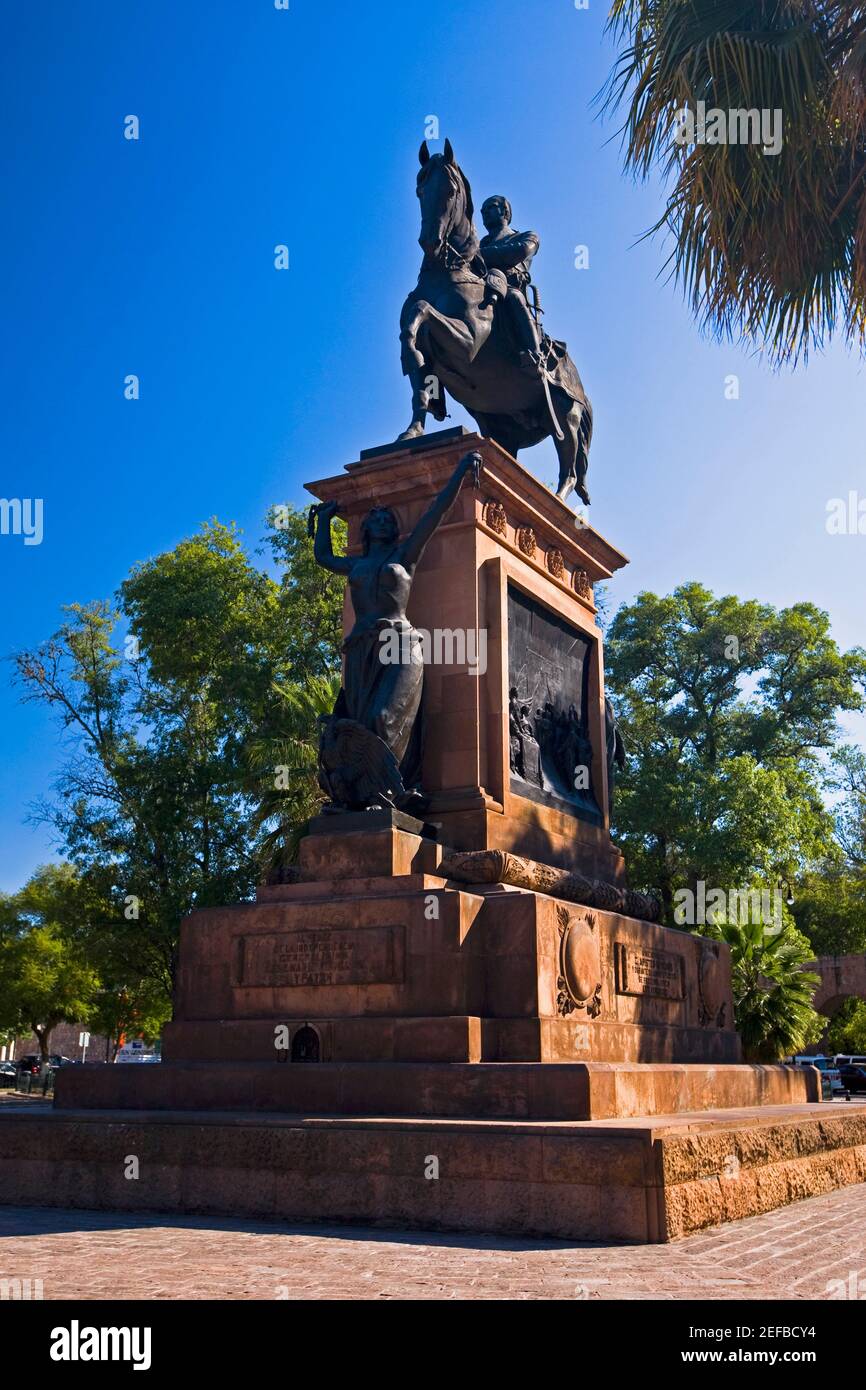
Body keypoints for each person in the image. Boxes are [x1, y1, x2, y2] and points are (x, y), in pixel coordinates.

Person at [479, 194, 545, 377]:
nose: (485, 213)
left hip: (510, 287)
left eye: (490, 207)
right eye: (482, 211)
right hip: (482, 285)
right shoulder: (478, 244)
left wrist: (478, 254)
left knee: (514, 297)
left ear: (505, 211)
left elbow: (520, 251)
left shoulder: (527, 236)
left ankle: (534, 354)